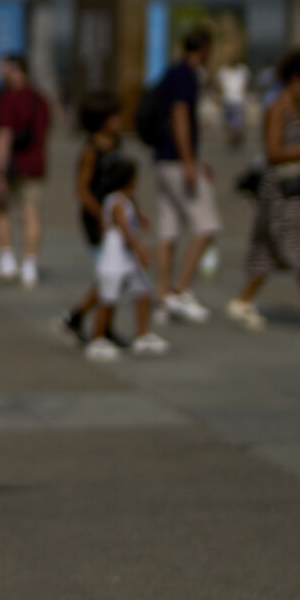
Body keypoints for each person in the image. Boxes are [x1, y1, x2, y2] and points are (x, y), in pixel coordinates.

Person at [225, 49, 300, 334]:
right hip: (281, 189)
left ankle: (242, 299)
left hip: (298, 186)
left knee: (268, 251)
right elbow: (273, 152)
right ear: (295, 79)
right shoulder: (278, 107)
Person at [146, 26, 219, 323]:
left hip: (163, 159)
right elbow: (179, 116)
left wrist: (195, 158)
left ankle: (163, 296)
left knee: (168, 228)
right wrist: (189, 161)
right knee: (206, 225)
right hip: (177, 161)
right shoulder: (187, 75)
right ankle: (180, 289)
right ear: (203, 49)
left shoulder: (170, 72)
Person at [57, 95, 126, 345]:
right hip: (97, 221)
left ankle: (102, 325)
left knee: (115, 273)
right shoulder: (91, 151)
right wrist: (101, 215)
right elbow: (82, 190)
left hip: (118, 217)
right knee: (112, 274)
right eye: (114, 117)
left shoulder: (116, 144)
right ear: (101, 121)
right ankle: (81, 318)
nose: (119, 121)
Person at [84, 157, 167, 361]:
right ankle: (97, 339)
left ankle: (142, 334)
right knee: (108, 300)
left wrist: (140, 214)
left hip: (125, 262)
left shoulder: (123, 199)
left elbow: (131, 209)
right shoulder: (118, 202)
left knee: (143, 292)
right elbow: (125, 230)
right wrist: (140, 248)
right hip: (114, 262)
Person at [0, 55, 50, 288]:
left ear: (15, 69)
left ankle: (7, 259)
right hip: (36, 163)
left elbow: (4, 135)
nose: (0, 72)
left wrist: (0, 170)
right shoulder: (40, 99)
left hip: (14, 164)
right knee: (31, 213)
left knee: (1, 208)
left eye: (3, 67)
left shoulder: (8, 100)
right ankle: (30, 265)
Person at [217, 57, 251, 151]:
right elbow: (220, 86)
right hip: (228, 100)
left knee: (237, 121)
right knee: (229, 121)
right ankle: (231, 139)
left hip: (238, 100)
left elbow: (245, 86)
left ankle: (235, 138)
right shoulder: (223, 71)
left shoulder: (242, 70)